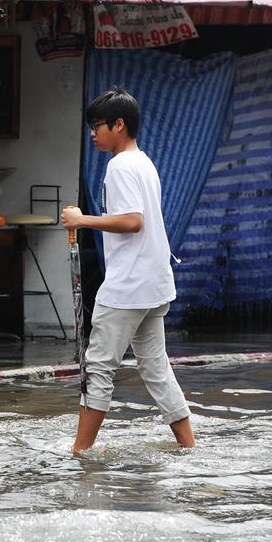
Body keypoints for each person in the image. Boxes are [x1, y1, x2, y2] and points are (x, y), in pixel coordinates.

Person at [61, 88, 195, 452]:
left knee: (98, 366)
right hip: (153, 284)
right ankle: (188, 446)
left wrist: (82, 219)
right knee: (155, 367)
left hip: (128, 286)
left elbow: (133, 221)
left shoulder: (119, 166)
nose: (93, 133)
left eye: (97, 125)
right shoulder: (143, 162)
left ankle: (80, 451)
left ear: (118, 125)